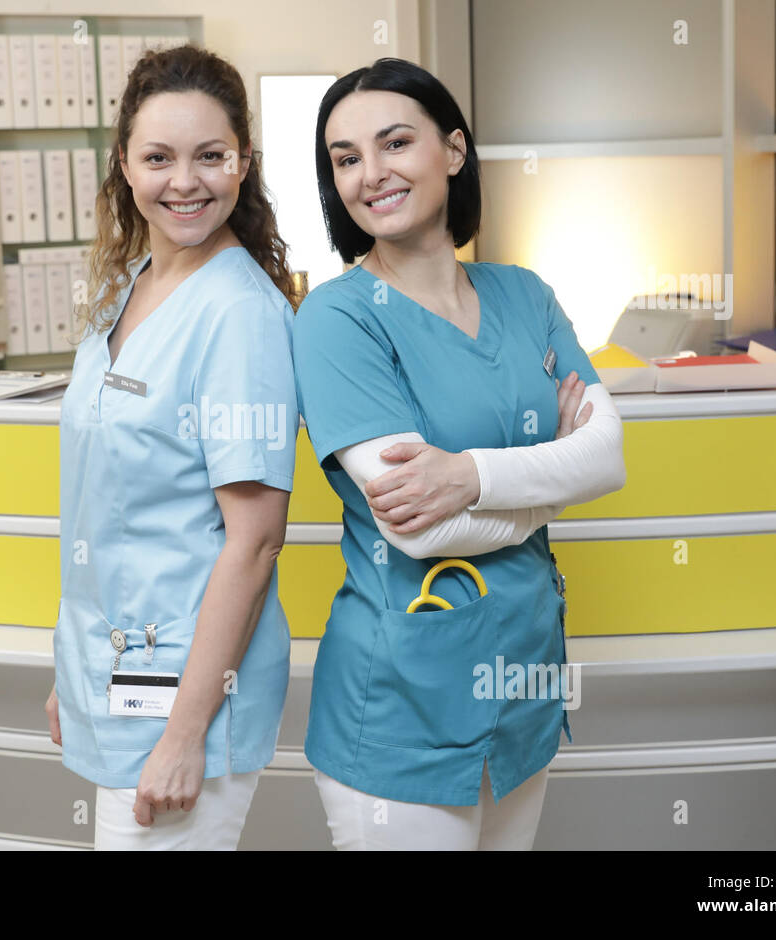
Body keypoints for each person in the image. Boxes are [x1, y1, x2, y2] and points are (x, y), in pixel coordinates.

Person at [293, 57, 627, 850]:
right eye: (345, 158)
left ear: (452, 149)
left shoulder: (525, 294)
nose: (371, 173)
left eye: (395, 142)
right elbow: (419, 528)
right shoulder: (336, 320)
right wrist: (553, 484)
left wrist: (470, 475)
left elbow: (608, 455)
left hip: (523, 687)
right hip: (400, 704)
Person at [45, 44, 300, 850]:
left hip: (186, 696)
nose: (183, 182)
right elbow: (107, 507)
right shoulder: (127, 290)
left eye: (209, 157)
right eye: (159, 158)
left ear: (243, 162)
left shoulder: (240, 315)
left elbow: (254, 543)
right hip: (116, 678)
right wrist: (76, 676)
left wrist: (187, 733)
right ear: (124, 164)